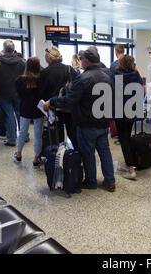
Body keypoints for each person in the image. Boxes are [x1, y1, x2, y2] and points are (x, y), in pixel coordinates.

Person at [44, 47, 116, 192]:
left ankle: (91, 182)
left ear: (86, 61)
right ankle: (110, 181)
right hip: (103, 122)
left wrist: (51, 102)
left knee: (88, 153)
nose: (81, 61)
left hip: (87, 123)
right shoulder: (108, 78)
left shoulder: (83, 78)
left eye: (82, 59)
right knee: (105, 151)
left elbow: (70, 100)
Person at [39, 46, 78, 148]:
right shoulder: (70, 69)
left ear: (49, 58)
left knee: (56, 135)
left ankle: (58, 157)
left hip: (53, 108)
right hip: (69, 106)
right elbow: (78, 87)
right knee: (73, 134)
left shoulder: (45, 72)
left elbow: (42, 92)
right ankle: (78, 156)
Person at [0, 39, 26, 146]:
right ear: (14, 49)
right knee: (21, 114)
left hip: (4, 93)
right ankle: (24, 136)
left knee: (8, 115)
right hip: (19, 92)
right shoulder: (22, 62)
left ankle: (11, 139)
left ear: (3, 50)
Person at [113, 55, 143, 180]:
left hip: (120, 111)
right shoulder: (137, 76)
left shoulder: (116, 77)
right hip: (131, 111)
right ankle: (128, 163)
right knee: (127, 136)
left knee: (123, 139)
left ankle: (131, 169)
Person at [14, 57, 44, 168]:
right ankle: (36, 158)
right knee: (38, 134)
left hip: (25, 108)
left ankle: (19, 153)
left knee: (22, 132)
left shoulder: (19, 80)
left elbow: (19, 95)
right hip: (38, 110)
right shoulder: (41, 79)